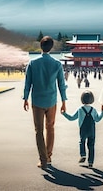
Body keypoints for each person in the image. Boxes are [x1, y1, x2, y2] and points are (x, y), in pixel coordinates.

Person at [23, 36, 68, 169]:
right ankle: (48, 156)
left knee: (39, 131)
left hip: (37, 101)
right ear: (51, 47)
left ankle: (42, 159)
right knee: (51, 128)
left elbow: (28, 83)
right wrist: (64, 101)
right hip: (52, 101)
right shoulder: (57, 64)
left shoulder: (33, 63)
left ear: (41, 46)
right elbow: (61, 84)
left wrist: (25, 98)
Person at [61, 90, 103, 168]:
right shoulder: (93, 110)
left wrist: (64, 113)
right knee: (91, 145)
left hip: (83, 129)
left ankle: (83, 154)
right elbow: (98, 119)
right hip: (92, 130)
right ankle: (90, 162)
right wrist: (102, 112)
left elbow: (71, 118)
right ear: (92, 99)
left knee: (82, 141)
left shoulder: (80, 109)